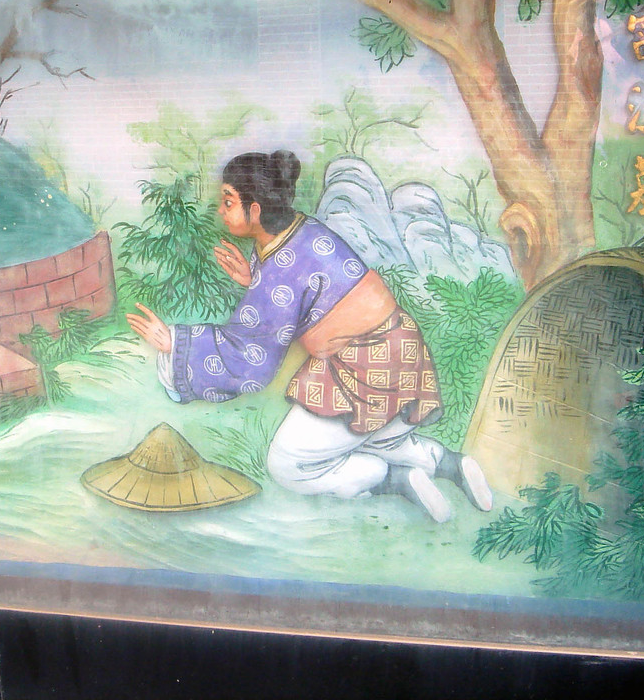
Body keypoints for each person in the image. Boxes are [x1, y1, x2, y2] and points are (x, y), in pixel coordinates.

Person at [126, 150, 492, 522]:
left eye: (228, 202)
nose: (221, 210)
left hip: (363, 367)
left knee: (289, 464)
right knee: (382, 437)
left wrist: (177, 344)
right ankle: (450, 465)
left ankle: (395, 480)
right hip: (403, 347)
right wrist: (254, 281)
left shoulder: (279, 270)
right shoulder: (305, 230)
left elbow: (251, 356)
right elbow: (306, 289)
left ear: (256, 210)